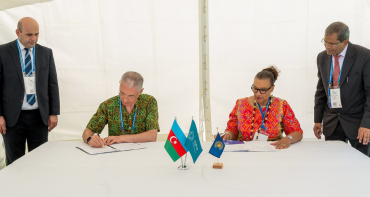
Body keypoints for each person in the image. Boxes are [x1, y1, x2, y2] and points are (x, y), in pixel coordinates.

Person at [0, 17, 60, 165]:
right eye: (29, 35)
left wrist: (53, 113)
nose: (34, 38)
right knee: (15, 163)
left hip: (39, 117)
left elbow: (52, 84)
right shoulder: (3, 52)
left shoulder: (46, 53)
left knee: (40, 162)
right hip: (12, 118)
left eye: (36, 34)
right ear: (17, 32)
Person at [313, 22, 370, 156]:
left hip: (357, 124)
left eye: (332, 43)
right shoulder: (322, 57)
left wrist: (367, 124)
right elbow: (321, 90)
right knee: (333, 166)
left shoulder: (364, 56)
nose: (328, 47)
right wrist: (317, 120)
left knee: (360, 167)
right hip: (332, 122)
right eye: (325, 42)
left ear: (345, 42)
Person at [216, 66, 303, 149]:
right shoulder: (241, 104)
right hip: (244, 153)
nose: (258, 93)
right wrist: (227, 135)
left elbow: (297, 133)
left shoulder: (281, 105)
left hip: (273, 153)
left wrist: (288, 139)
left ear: (272, 88)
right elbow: (232, 130)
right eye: (255, 88)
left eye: (263, 90)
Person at [82, 71, 159, 147]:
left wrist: (121, 138)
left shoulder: (149, 102)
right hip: (115, 154)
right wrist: (90, 139)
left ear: (140, 91)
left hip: (144, 153)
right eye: (122, 93)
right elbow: (87, 132)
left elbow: (152, 136)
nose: (125, 100)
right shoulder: (108, 105)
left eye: (130, 96)